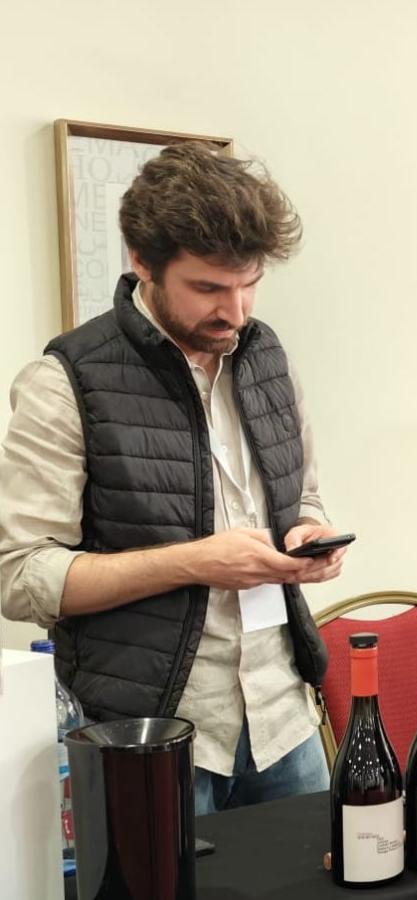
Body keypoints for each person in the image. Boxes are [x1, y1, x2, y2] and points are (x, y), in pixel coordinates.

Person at [0, 142, 348, 814]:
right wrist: (196, 562)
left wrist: (310, 533)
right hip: (149, 733)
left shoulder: (266, 358)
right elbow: (20, 576)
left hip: (284, 719)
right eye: (208, 288)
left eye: (249, 284)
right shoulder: (65, 380)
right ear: (142, 261)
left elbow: (301, 494)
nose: (236, 312)